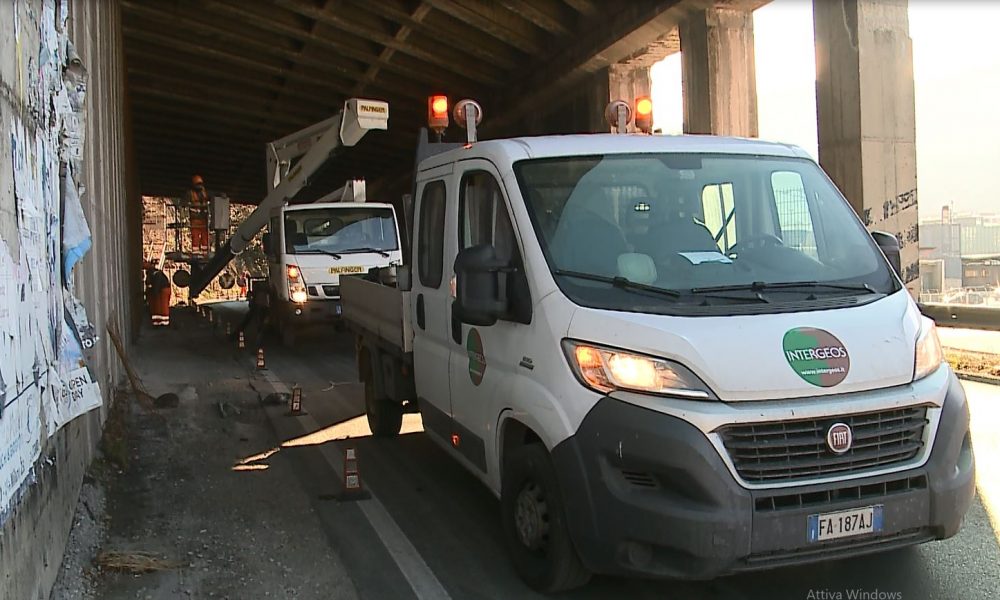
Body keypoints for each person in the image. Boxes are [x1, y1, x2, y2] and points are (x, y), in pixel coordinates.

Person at [187, 174, 210, 256]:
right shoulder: (190, 193)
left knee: (205, 236)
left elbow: (209, 199)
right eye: (198, 184)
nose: (199, 186)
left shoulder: (204, 192)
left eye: (200, 184)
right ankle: (196, 253)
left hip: (203, 218)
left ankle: (205, 252)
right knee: (195, 236)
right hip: (195, 219)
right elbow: (185, 203)